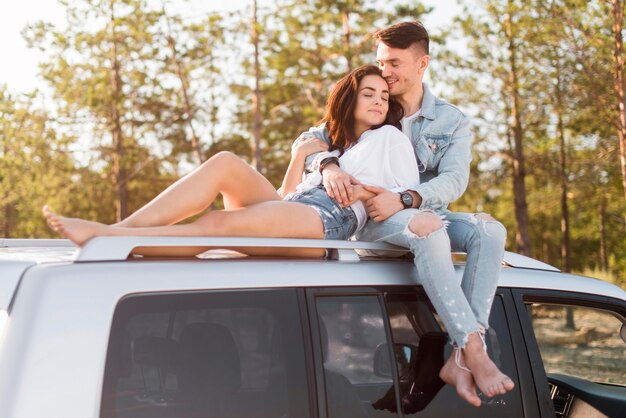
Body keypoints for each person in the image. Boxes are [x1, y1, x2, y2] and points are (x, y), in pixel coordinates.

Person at [297, 21, 514, 406]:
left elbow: (454, 180)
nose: (385, 72)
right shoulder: (372, 100)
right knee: (429, 231)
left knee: (489, 230)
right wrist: (329, 166)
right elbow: (308, 139)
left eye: (394, 62)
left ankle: (463, 354)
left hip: (418, 213)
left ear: (422, 63)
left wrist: (408, 198)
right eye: (381, 62)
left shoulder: (451, 121)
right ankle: (474, 352)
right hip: (373, 222)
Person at [43, 65, 419, 260]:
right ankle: (117, 232)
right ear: (348, 100)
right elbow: (284, 196)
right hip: (299, 209)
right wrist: (299, 157)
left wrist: (358, 186)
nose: (379, 101)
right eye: (368, 93)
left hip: (330, 220)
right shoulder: (327, 144)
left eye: (384, 96)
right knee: (224, 162)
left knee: (220, 223)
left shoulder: (390, 138)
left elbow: (406, 194)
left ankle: (109, 239)